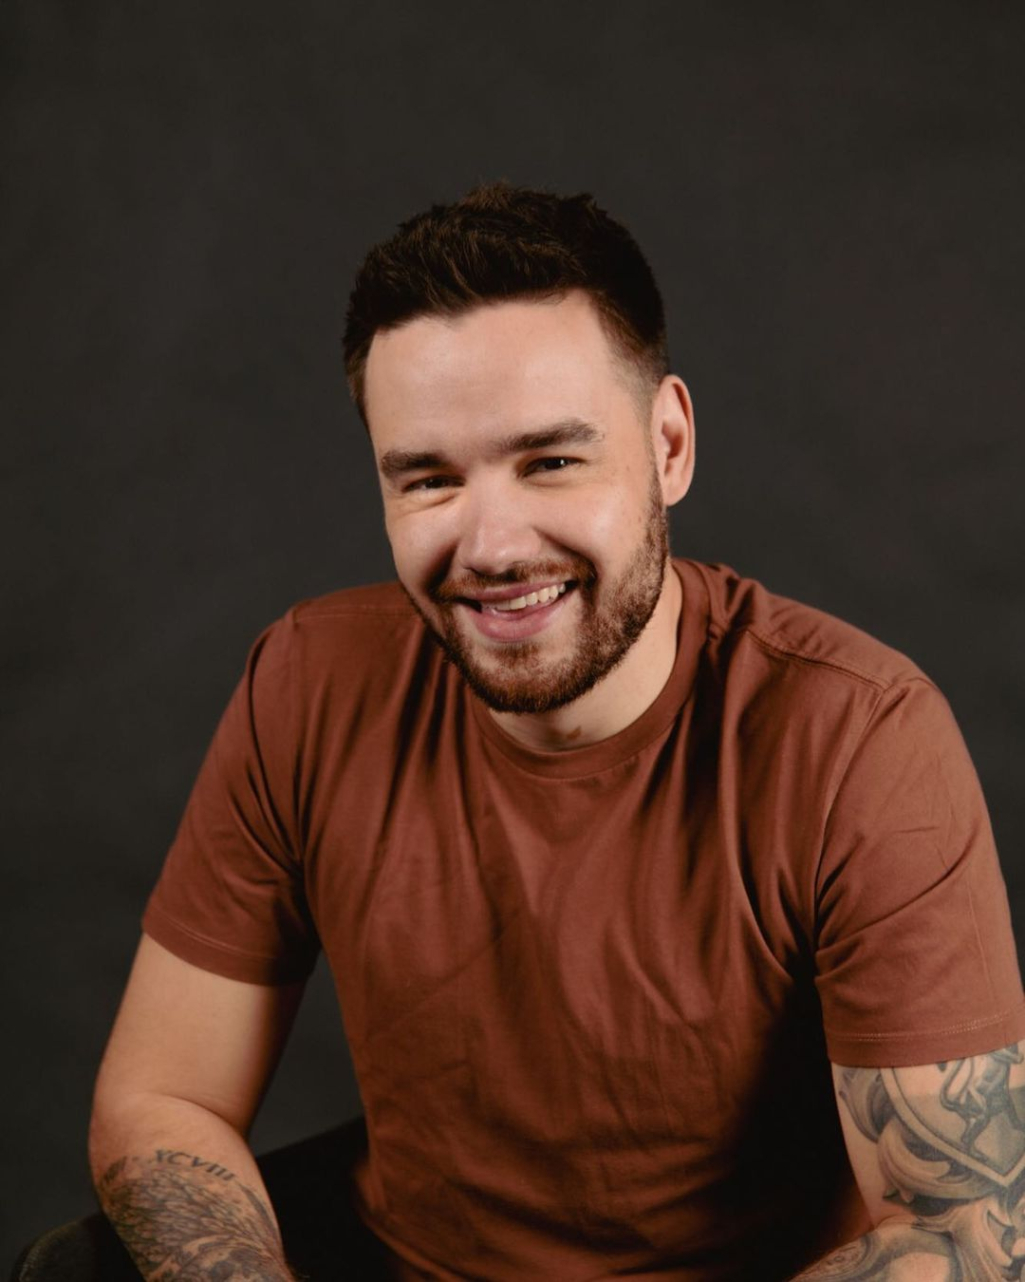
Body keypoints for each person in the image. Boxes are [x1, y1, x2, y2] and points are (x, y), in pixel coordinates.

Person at [89, 182, 1025, 1281]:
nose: (491, 546)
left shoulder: (858, 739)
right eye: (429, 478)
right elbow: (162, 1096)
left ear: (667, 444)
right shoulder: (309, 683)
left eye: (550, 461)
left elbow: (960, 1233)